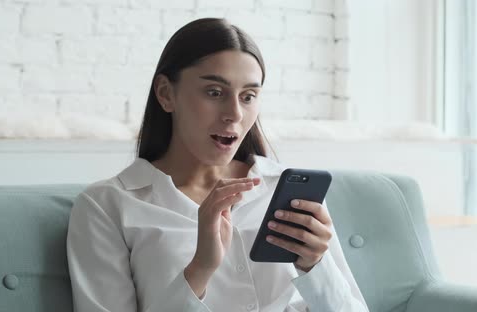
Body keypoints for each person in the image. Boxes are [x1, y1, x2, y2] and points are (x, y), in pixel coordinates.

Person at [66, 18, 368, 312]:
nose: (234, 113)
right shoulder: (107, 206)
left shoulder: (287, 192)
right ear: (166, 93)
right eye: (214, 93)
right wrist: (201, 268)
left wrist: (315, 266)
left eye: (248, 96)